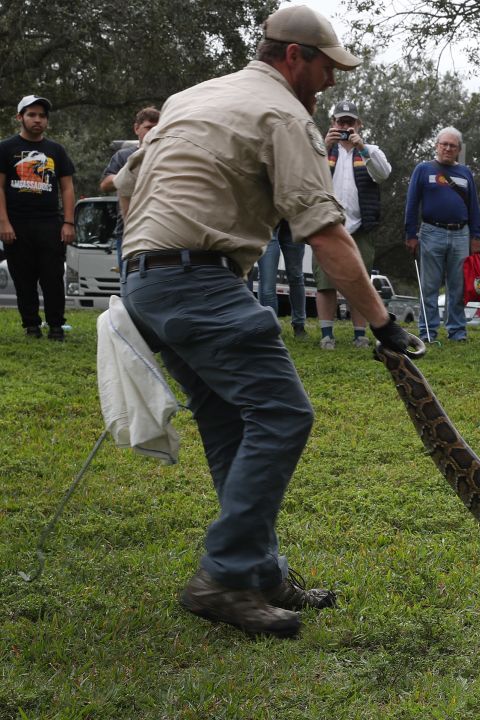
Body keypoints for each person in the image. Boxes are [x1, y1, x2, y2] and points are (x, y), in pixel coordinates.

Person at [112, 5, 418, 638]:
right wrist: (383, 324)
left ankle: (257, 572)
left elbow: (127, 179)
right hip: (197, 280)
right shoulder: (282, 113)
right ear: (294, 57)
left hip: (147, 279)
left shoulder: (194, 95)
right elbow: (326, 233)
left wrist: (151, 252)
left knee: (230, 420)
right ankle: (223, 574)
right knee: (283, 414)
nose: (332, 82)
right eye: (327, 67)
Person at [315, 100, 391, 349]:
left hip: (361, 228)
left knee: (361, 283)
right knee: (325, 283)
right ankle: (327, 334)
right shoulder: (320, 148)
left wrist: (364, 149)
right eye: (341, 121)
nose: (345, 126)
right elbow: (307, 174)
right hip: (328, 225)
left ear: (359, 124)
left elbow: (383, 174)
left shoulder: (372, 150)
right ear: (333, 124)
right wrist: (324, 147)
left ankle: (360, 335)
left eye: (350, 122)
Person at [0, 95, 77, 340]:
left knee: (53, 277)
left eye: (42, 116)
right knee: (23, 278)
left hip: (49, 224)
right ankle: (31, 326)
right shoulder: (5, 148)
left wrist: (68, 222)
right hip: (16, 223)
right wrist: (3, 222)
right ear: (20, 117)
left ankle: (56, 326)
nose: (37, 120)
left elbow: (67, 187)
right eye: (31, 115)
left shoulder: (56, 150)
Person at [405, 126, 480, 342]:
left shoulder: (465, 173)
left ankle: (457, 332)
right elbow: (412, 203)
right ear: (437, 146)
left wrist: (475, 235)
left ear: (458, 149)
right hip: (430, 232)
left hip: (460, 234)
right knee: (429, 287)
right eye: (444, 144)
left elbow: (474, 206)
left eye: (452, 146)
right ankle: (428, 332)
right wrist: (410, 234)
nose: (448, 148)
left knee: (457, 287)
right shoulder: (423, 169)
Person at [100, 106, 160, 274]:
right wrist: (128, 174)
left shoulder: (169, 154)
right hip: (128, 232)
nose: (153, 132)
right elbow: (105, 184)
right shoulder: (123, 156)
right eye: (148, 127)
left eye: (157, 128)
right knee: (129, 282)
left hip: (161, 230)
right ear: (136, 128)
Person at [257, 220, 309, 338]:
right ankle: (269, 329)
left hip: (292, 221)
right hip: (269, 222)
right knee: (267, 281)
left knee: (296, 276)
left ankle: (299, 325)